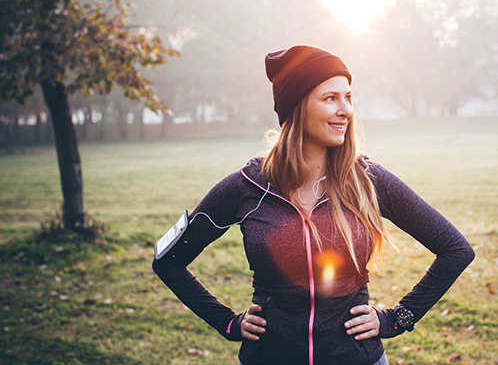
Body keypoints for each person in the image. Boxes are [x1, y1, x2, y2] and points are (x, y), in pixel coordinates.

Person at [152, 45, 475, 365]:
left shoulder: (368, 180)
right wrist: (227, 322)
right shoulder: (246, 188)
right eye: (330, 98)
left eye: (348, 98)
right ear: (297, 107)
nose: (347, 110)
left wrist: (398, 318)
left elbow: (455, 249)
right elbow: (169, 262)